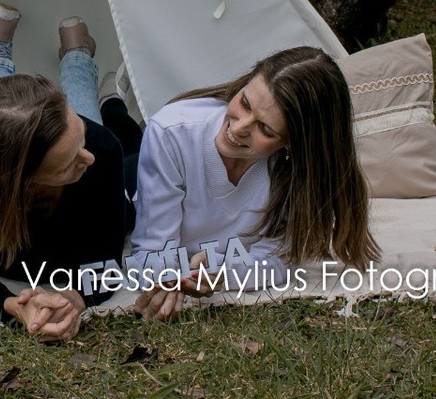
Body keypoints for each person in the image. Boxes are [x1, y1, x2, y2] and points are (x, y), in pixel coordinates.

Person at [0, 3, 142, 342]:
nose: (87, 159)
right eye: (68, 163)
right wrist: (15, 308)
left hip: (86, 146)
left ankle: (77, 57)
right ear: (20, 181)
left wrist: (73, 300)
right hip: (6, 180)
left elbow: (104, 267)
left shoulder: (100, 150)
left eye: (79, 140)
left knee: (88, 120)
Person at [129, 46, 379, 320]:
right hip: (131, 174)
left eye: (265, 129)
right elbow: (152, 248)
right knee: (112, 140)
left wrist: (224, 271)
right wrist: (165, 281)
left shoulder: (296, 174)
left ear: (292, 144)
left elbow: (281, 259)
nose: (238, 128)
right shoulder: (170, 132)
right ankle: (98, 83)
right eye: (245, 103)